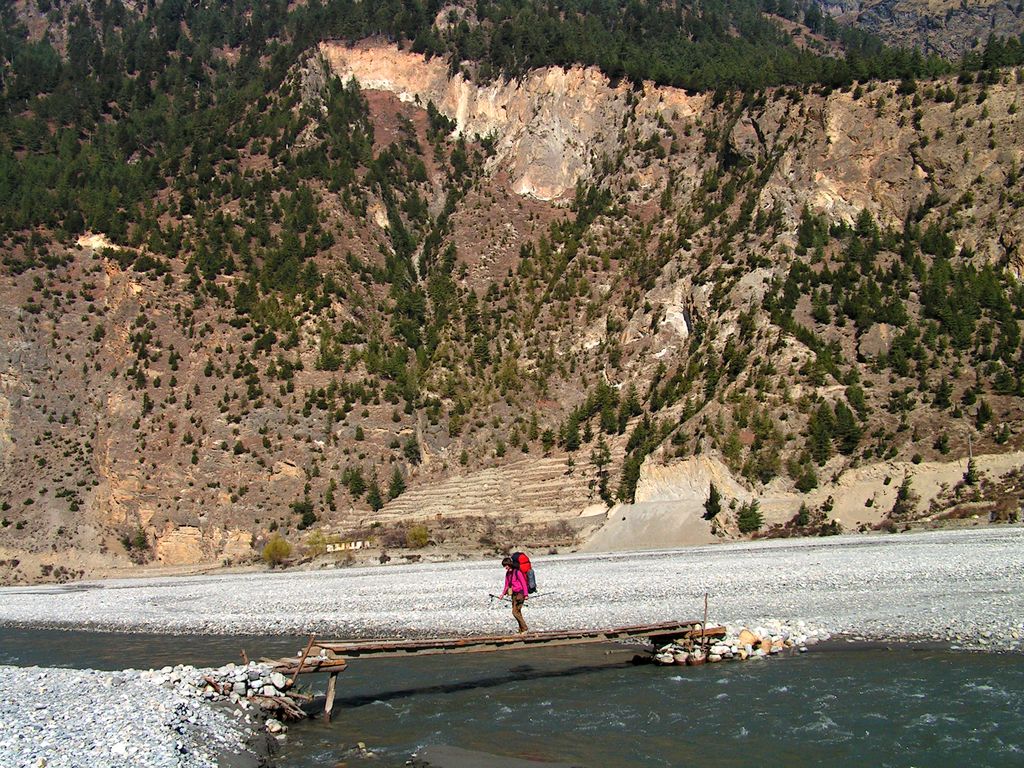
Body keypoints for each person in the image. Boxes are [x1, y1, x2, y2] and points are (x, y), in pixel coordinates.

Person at [500, 556, 529, 633]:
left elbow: (523, 583)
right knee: (518, 612)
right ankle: (521, 630)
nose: (505, 567)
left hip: (520, 594)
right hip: (514, 595)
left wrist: (526, 595)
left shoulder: (517, 572)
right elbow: (506, 585)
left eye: (506, 565)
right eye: (504, 566)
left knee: (515, 612)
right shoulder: (508, 574)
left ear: (509, 564)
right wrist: (502, 594)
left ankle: (525, 628)